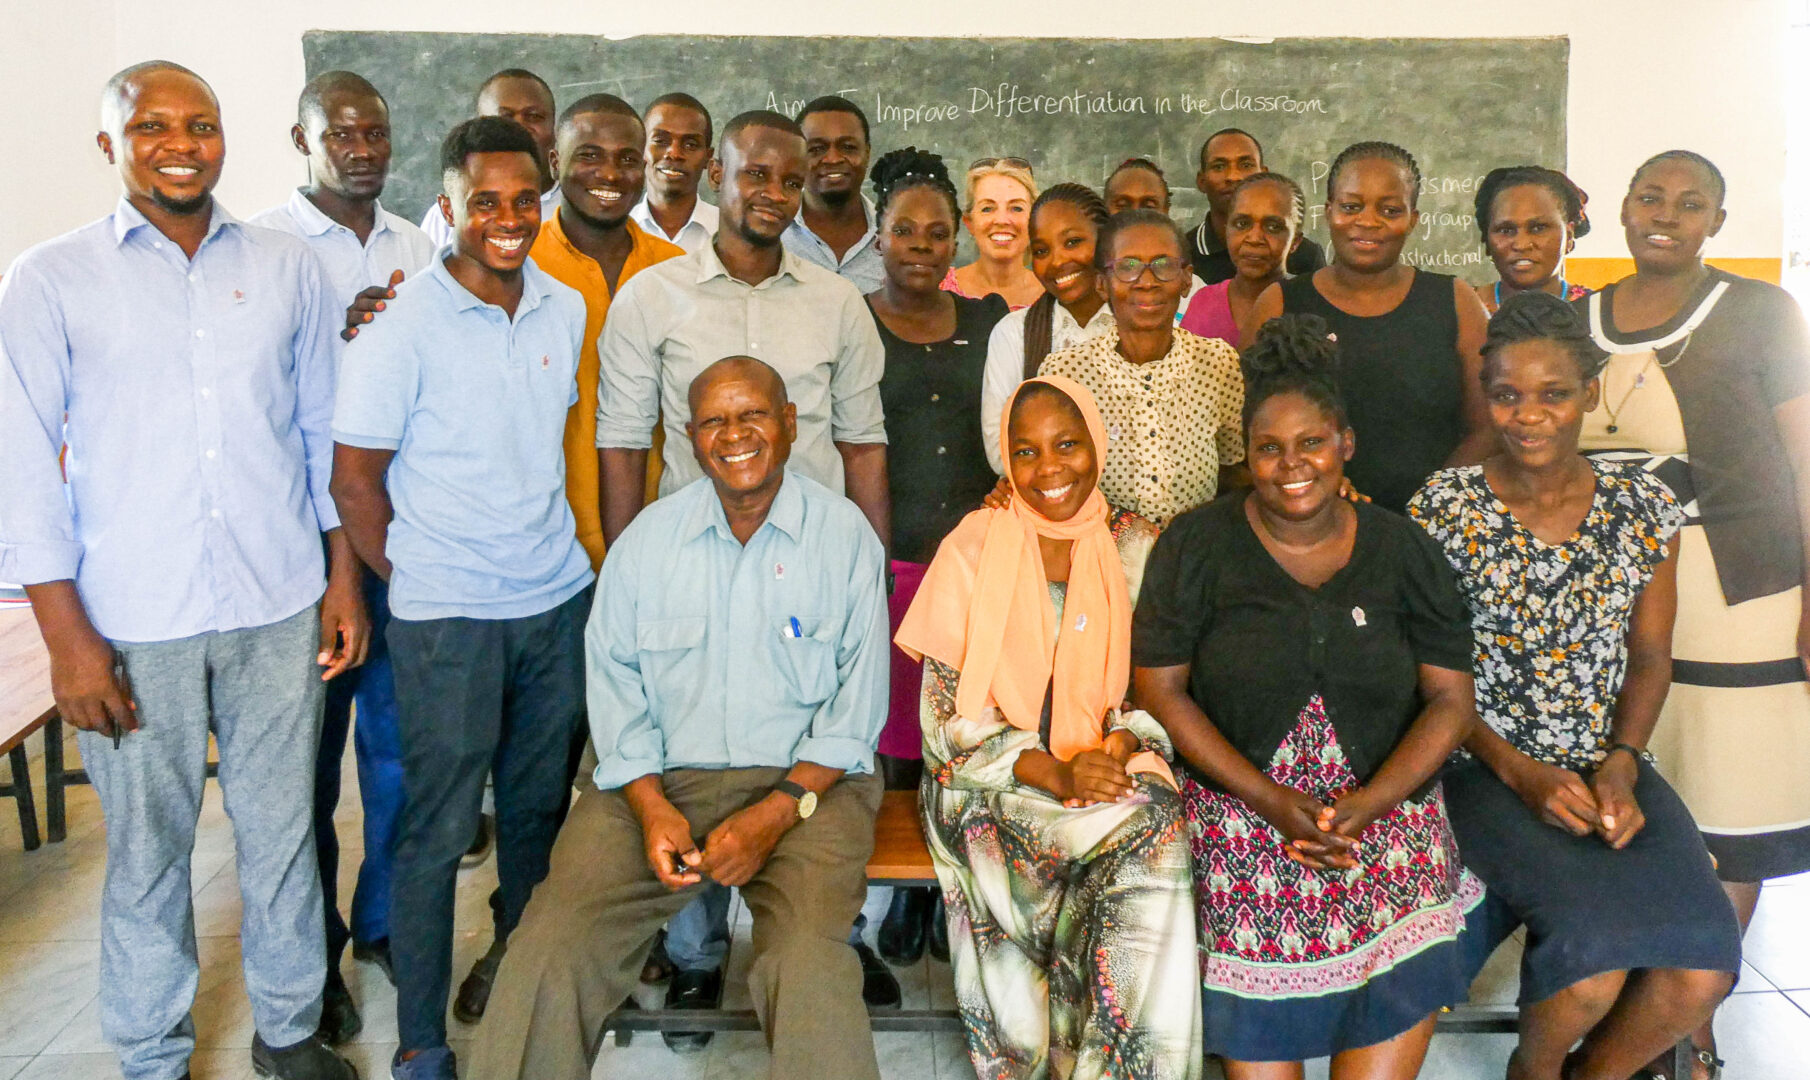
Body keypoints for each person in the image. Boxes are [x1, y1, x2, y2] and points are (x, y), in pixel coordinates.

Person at [0, 61, 357, 1080]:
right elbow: (21, 467)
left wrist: (340, 579)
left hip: (277, 601)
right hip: (130, 618)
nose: (180, 145)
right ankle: (152, 1052)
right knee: (148, 850)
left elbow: (321, 432)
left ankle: (289, 1032)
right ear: (109, 145)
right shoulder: (49, 278)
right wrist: (67, 642)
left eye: (199, 125)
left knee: (283, 833)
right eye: (151, 127)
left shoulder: (286, 266)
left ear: (223, 137)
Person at [470, 356, 891, 1080]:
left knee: (810, 968)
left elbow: (857, 712)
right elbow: (614, 690)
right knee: (548, 948)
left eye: (753, 414)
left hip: (807, 790)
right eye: (713, 421)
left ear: (790, 424)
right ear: (689, 438)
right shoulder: (646, 543)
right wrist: (649, 805)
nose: (735, 434)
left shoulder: (844, 537)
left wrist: (774, 815)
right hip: (655, 783)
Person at [596, 108, 894, 1030]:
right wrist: (628, 569)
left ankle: (823, 943)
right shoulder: (652, 296)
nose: (772, 193)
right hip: (693, 566)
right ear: (714, 178)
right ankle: (696, 954)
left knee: (803, 754)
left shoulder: (836, 303)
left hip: (813, 570)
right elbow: (622, 443)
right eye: (754, 175)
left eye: (788, 180)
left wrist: (871, 576)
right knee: (692, 748)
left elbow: (864, 443)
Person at [1133, 314, 1484, 1078]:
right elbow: (1160, 691)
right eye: (1269, 447)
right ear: (1246, 453)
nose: (1291, 465)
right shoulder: (1195, 546)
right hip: (1242, 828)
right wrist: (1269, 800)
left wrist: (1370, 803)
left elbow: (1452, 703)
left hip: (1387, 829)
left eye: (1312, 442)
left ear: (1346, 444)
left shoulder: (1403, 549)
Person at [1407, 290, 1740, 1080]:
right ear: (1485, 396)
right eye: (1507, 395)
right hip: (1480, 764)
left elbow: (1649, 654)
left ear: (1589, 394)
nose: (1529, 416)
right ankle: (1534, 1070)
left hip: (1609, 762)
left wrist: (1621, 761)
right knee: (1591, 971)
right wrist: (1521, 771)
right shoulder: (1442, 508)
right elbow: (1427, 674)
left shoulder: (1644, 505)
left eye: (1554, 394)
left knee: (1702, 971)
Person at [329, 116, 594, 1080]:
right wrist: (419, 577)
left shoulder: (565, 308)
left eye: (525, 200)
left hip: (554, 603)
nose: (508, 219)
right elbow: (355, 480)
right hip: (448, 617)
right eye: (485, 202)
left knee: (534, 818)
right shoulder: (401, 325)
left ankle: (520, 995)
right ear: (448, 206)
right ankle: (421, 1042)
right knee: (438, 829)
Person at [1576, 149, 1810, 1078]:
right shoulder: (1579, 317)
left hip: (1739, 592)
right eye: (1650, 197)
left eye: (1690, 202)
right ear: (1623, 209)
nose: (1666, 214)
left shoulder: (1761, 311)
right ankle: (1647, 1010)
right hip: (1614, 604)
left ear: (1717, 220)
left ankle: (1691, 1020)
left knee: (1731, 810)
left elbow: (1806, 454)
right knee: (1641, 803)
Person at [898, 375, 1198, 1079]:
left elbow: (1158, 692)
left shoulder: (1136, 545)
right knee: (1147, 831)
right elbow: (943, 725)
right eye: (1026, 452)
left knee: (1153, 820)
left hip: (1098, 772)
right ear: (1006, 459)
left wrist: (1118, 746)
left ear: (1098, 444)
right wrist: (1057, 771)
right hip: (986, 788)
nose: (1049, 468)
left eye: (1067, 444)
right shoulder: (975, 544)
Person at [248, 68, 434, 1044]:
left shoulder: (417, 243)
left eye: (376, 133)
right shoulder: (261, 250)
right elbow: (267, 402)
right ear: (302, 140)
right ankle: (310, 957)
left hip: (399, 544)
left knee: (400, 760)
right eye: (341, 134)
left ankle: (384, 923)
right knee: (304, 778)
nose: (362, 150)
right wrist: (341, 335)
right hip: (303, 553)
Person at [861, 146, 1009, 965]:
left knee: (963, 735)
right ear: (879, 237)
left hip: (978, 565)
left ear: (956, 240)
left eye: (936, 232)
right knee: (897, 740)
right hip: (892, 561)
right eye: (904, 230)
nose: (920, 244)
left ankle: (954, 882)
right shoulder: (853, 320)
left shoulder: (990, 322)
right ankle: (908, 896)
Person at [1245, 141, 1492, 513]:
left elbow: (1487, 428)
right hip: (1309, 520)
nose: (1368, 221)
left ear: (1413, 219)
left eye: (1390, 210)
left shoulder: (1456, 301)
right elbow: (1252, 428)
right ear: (1328, 211)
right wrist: (1316, 487)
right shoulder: (1279, 303)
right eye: (1351, 206)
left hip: (1438, 521)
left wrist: (1432, 504)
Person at [1039, 209, 1244, 527]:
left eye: (1164, 266)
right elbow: (1048, 477)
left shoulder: (1217, 363)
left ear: (1186, 279)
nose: (1147, 282)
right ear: (1102, 284)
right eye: (1127, 268)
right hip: (1098, 554)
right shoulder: (1066, 374)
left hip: (1192, 553)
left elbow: (1232, 470)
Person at [979, 183, 1115, 473]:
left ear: (1106, 242)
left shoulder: (1137, 325)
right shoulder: (1014, 334)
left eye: (1072, 242)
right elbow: (1000, 452)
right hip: (1051, 492)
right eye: (1042, 250)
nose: (1057, 261)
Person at [417, 68, 559, 248]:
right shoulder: (450, 213)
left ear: (555, 128)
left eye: (534, 116)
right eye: (504, 118)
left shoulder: (573, 211)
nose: (519, 128)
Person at [1180, 172, 1304, 348]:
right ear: (1227, 230)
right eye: (1242, 224)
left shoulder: (1310, 306)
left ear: (1295, 241)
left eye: (1273, 227)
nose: (1254, 238)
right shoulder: (1203, 304)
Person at [1188, 127, 1325, 284]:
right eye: (1219, 167)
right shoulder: (1182, 254)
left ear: (1264, 175)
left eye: (1246, 165)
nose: (1233, 176)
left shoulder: (1305, 254)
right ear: (1201, 181)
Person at [783, 95, 883, 293]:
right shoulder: (773, 234)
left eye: (848, 147)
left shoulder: (894, 235)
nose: (833, 159)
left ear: (867, 153)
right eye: (817, 149)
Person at [1472, 166, 1593, 315]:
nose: (1521, 245)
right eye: (1506, 230)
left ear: (1569, 236)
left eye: (1538, 228)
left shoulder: (1595, 312)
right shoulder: (1461, 311)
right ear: (1487, 240)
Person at [942, 156, 1043, 309]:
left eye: (1016, 208)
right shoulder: (938, 288)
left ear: (1034, 220)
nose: (1002, 220)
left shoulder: (1056, 295)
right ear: (969, 223)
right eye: (987, 209)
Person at [630, 92, 719, 253]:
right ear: (640, 147)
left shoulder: (727, 232)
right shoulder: (617, 230)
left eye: (690, 145)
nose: (674, 153)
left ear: (708, 157)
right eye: (660, 141)